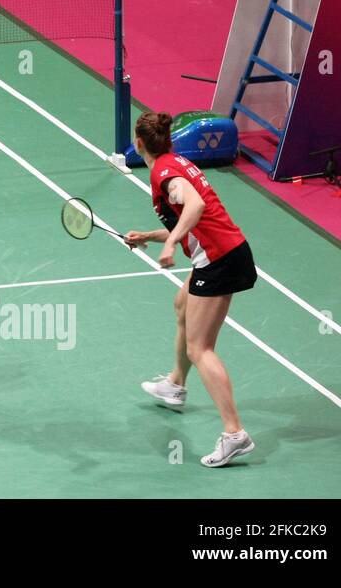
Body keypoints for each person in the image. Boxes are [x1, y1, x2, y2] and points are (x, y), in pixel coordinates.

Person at [125, 112, 258, 468]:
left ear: (139, 144)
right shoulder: (176, 160)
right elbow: (192, 218)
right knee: (182, 304)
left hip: (221, 260)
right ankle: (176, 384)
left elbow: (195, 207)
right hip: (221, 253)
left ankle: (235, 435)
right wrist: (149, 237)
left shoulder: (164, 173)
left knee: (201, 348)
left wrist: (170, 247)